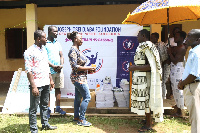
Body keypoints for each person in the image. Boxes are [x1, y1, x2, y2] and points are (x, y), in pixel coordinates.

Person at [129, 29, 163, 132]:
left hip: (145, 79)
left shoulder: (147, 46)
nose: (137, 37)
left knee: (146, 101)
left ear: (143, 36)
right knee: (144, 101)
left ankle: (148, 124)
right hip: (141, 79)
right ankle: (147, 120)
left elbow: (151, 66)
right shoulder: (145, 46)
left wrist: (135, 68)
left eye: (138, 35)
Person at [24, 30, 57, 133]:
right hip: (37, 84)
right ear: (39, 39)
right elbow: (28, 71)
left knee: (44, 105)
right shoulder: (29, 52)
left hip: (46, 82)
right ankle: (34, 129)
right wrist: (33, 86)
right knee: (34, 108)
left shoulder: (44, 50)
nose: (46, 39)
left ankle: (45, 124)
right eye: (44, 37)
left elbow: (46, 66)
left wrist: (50, 80)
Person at [67, 31, 95, 127]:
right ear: (75, 39)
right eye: (80, 38)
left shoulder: (78, 50)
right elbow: (75, 67)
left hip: (81, 77)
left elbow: (80, 66)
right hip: (78, 78)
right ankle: (81, 119)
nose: (82, 40)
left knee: (78, 98)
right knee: (87, 97)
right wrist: (88, 68)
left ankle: (76, 117)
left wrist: (88, 70)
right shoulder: (73, 51)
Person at [178, 29, 200, 133]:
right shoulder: (194, 51)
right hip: (193, 85)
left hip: (193, 87)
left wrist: (182, 83)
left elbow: (194, 75)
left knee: (195, 116)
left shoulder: (196, 53)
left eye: (189, 36)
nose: (186, 39)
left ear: (197, 39)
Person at [45, 26, 66, 118]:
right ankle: (48, 109)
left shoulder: (57, 43)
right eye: (55, 31)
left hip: (59, 71)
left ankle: (58, 108)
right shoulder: (45, 43)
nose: (57, 33)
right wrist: (53, 66)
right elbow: (44, 58)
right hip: (49, 71)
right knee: (48, 90)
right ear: (49, 31)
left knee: (58, 89)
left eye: (57, 32)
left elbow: (61, 55)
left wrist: (61, 65)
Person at [168, 31, 187, 117]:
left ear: (182, 38)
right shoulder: (176, 47)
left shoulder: (182, 48)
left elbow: (175, 61)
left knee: (179, 90)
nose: (174, 38)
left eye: (176, 36)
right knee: (175, 89)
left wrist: (170, 52)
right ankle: (178, 106)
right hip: (173, 70)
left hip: (178, 71)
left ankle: (180, 111)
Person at [150, 32, 170, 99]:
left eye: (152, 37)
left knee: (162, 81)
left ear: (156, 38)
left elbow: (166, 57)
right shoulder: (150, 46)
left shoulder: (162, 45)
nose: (151, 39)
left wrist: (163, 62)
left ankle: (162, 96)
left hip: (163, 66)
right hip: (154, 66)